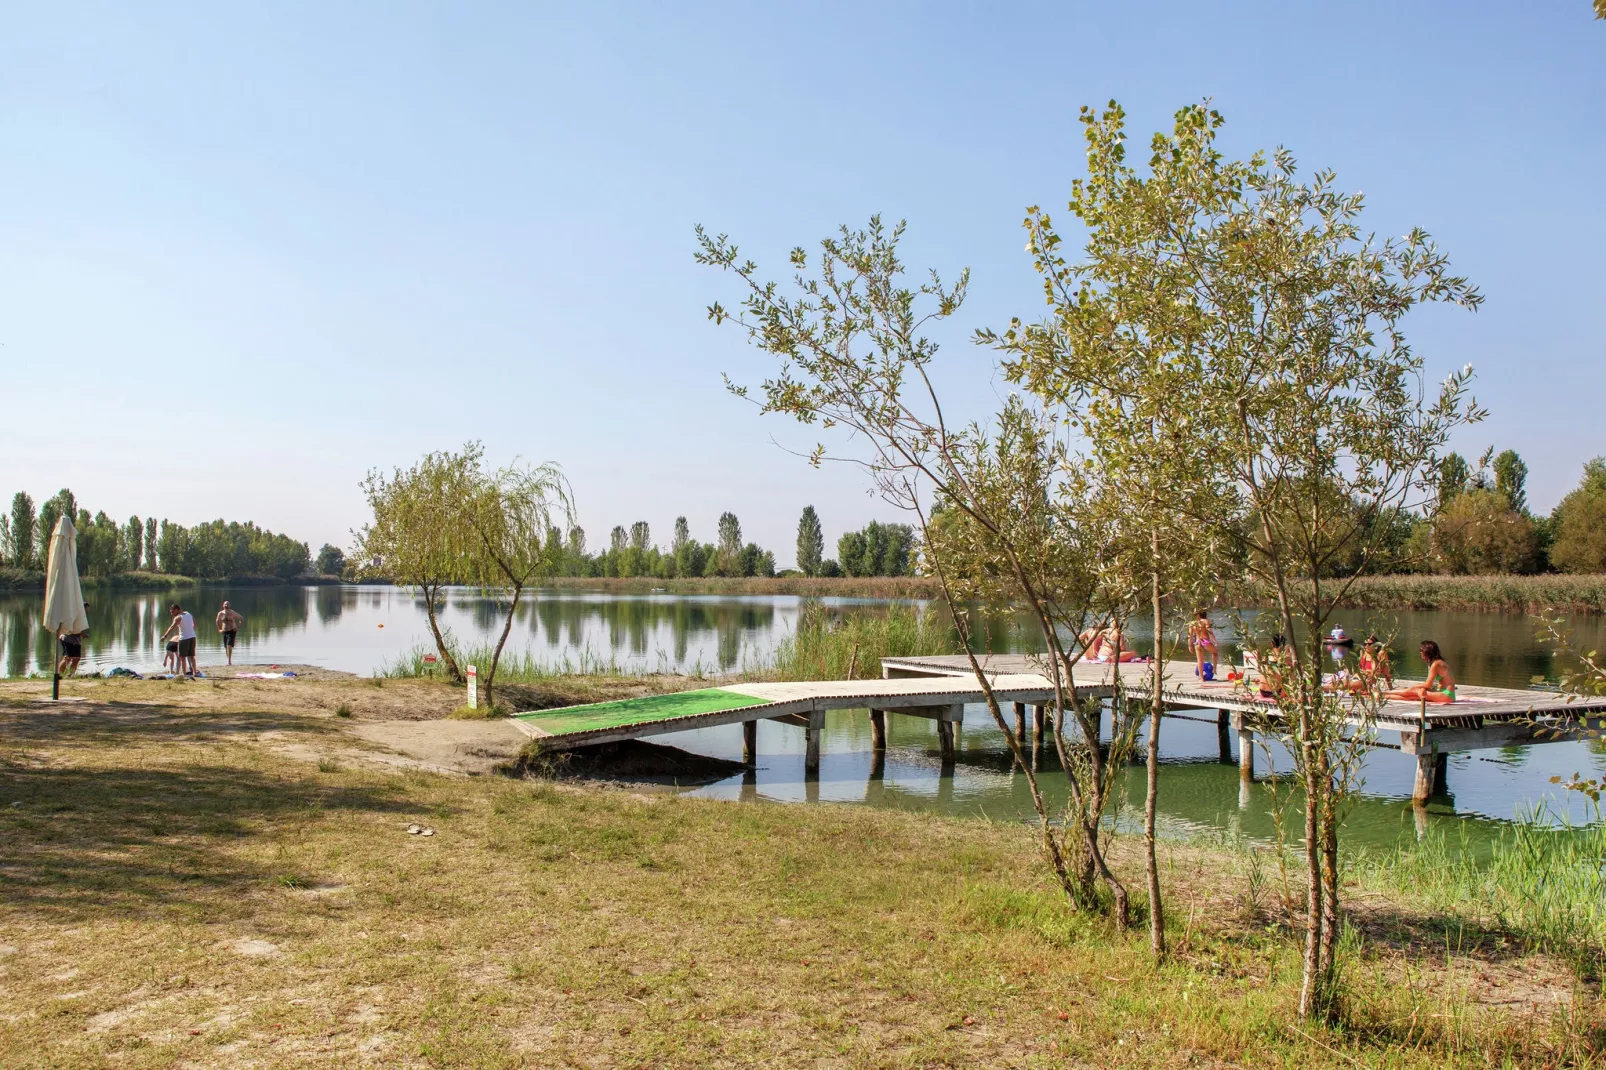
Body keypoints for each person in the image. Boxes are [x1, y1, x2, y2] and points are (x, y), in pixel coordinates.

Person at [1387, 640, 1456, 704]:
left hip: (1447, 694)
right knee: (1412, 696)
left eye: (1421, 651)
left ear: (1427, 653)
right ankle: (1384, 695)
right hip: (1442, 692)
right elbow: (1429, 685)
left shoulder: (1436, 664)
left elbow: (1428, 684)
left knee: (1413, 691)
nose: (1420, 653)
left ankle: (1384, 694)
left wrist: (1414, 687)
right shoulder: (1435, 663)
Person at [160, 603, 199, 677]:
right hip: (192, 637)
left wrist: (165, 636)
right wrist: (190, 631)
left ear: (177, 609)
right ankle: (195, 673)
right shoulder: (188, 613)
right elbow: (195, 624)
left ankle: (185, 674)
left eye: (172, 612)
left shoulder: (178, 617)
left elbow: (172, 627)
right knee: (192, 656)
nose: (172, 614)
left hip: (184, 639)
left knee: (182, 657)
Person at [56, 602, 88, 676]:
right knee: (67, 658)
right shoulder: (75, 615)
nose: (87, 611)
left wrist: (82, 634)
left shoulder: (82, 617)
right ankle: (59, 675)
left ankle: (70, 675)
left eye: (87, 609)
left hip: (75, 640)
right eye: (86, 609)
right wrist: (83, 635)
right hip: (68, 638)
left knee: (76, 658)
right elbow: (76, 629)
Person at [1188, 610, 1218, 677]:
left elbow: (1189, 636)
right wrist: (1215, 640)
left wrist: (1190, 645)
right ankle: (1214, 669)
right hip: (1205, 641)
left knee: (1200, 661)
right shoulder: (1205, 621)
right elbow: (1210, 631)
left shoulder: (1192, 623)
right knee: (1215, 653)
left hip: (1198, 642)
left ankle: (1201, 678)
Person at [215, 600, 244, 665]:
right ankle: (228, 660)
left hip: (232, 630)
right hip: (224, 631)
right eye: (225, 604)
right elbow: (217, 621)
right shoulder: (220, 613)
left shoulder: (232, 612)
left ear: (229, 605)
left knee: (229, 645)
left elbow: (241, 619)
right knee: (226, 647)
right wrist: (219, 629)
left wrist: (237, 628)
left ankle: (229, 661)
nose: (226, 605)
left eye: (227, 604)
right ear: (223, 605)